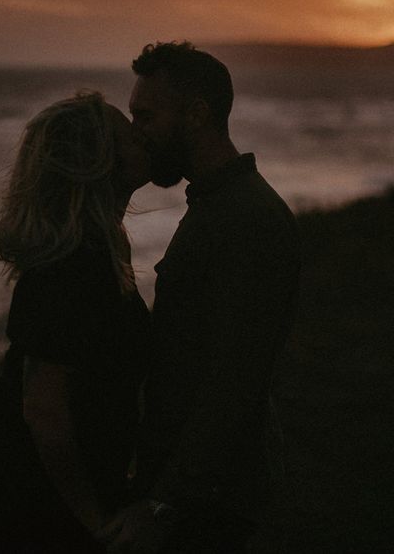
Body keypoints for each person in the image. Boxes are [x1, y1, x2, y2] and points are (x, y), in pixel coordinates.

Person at [0, 92, 154, 553]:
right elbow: (45, 414)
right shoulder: (72, 266)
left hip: (37, 479)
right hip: (10, 486)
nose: (142, 134)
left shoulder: (105, 246)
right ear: (99, 161)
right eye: (129, 133)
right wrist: (97, 522)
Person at [107, 41, 300, 552]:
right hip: (200, 495)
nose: (136, 132)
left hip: (212, 505)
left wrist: (163, 504)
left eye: (145, 116)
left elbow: (235, 380)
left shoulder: (248, 219)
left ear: (196, 114)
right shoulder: (217, 205)